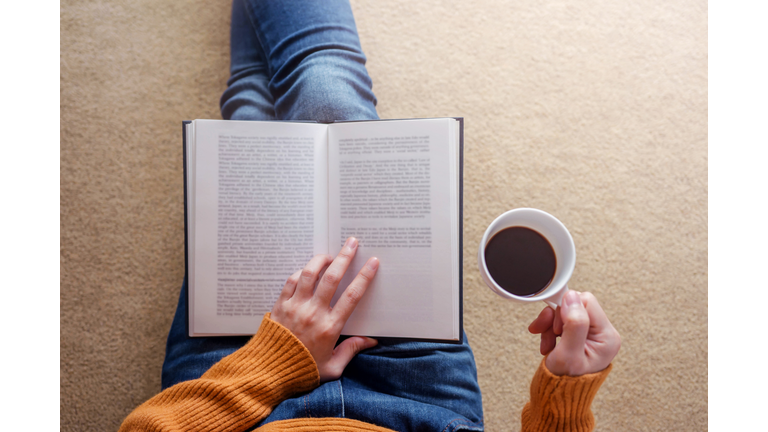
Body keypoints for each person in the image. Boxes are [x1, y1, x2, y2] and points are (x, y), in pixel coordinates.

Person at [120, 1, 621, 431]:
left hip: (244, 385)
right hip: (418, 401)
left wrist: (276, 362)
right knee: (324, 94)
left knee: (252, 129)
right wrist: (567, 396)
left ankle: (252, 98)